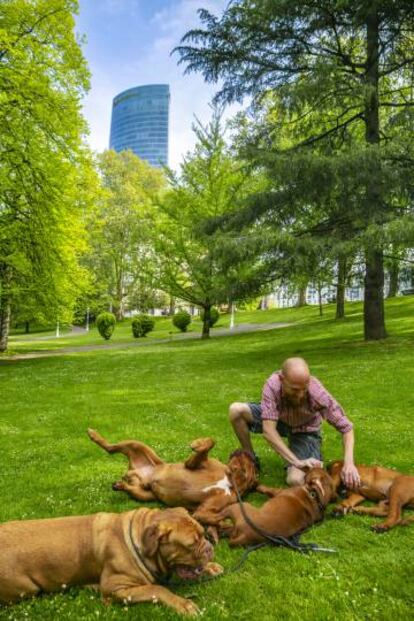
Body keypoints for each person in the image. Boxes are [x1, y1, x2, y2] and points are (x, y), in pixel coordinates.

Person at [229, 357, 360, 488]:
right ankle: (250, 459)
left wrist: (349, 463)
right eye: (295, 389)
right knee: (236, 410)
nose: (300, 394)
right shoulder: (273, 385)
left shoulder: (317, 393)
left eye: (304, 388)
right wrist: (296, 462)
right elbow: (269, 431)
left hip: (304, 430)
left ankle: (308, 456)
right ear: (282, 379)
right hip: (280, 421)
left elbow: (347, 428)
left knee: (295, 480)